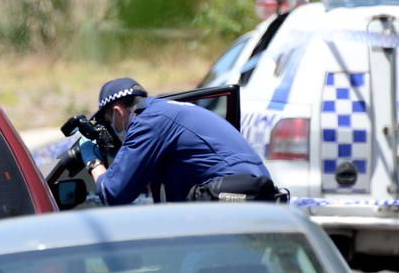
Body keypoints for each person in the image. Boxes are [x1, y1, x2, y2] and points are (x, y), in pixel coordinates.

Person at [79, 77, 272, 205]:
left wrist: (93, 162)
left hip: (234, 198)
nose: (113, 130)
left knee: (192, 266)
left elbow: (113, 192)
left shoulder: (146, 123)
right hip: (258, 194)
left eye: (108, 121)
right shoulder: (164, 112)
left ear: (117, 113)